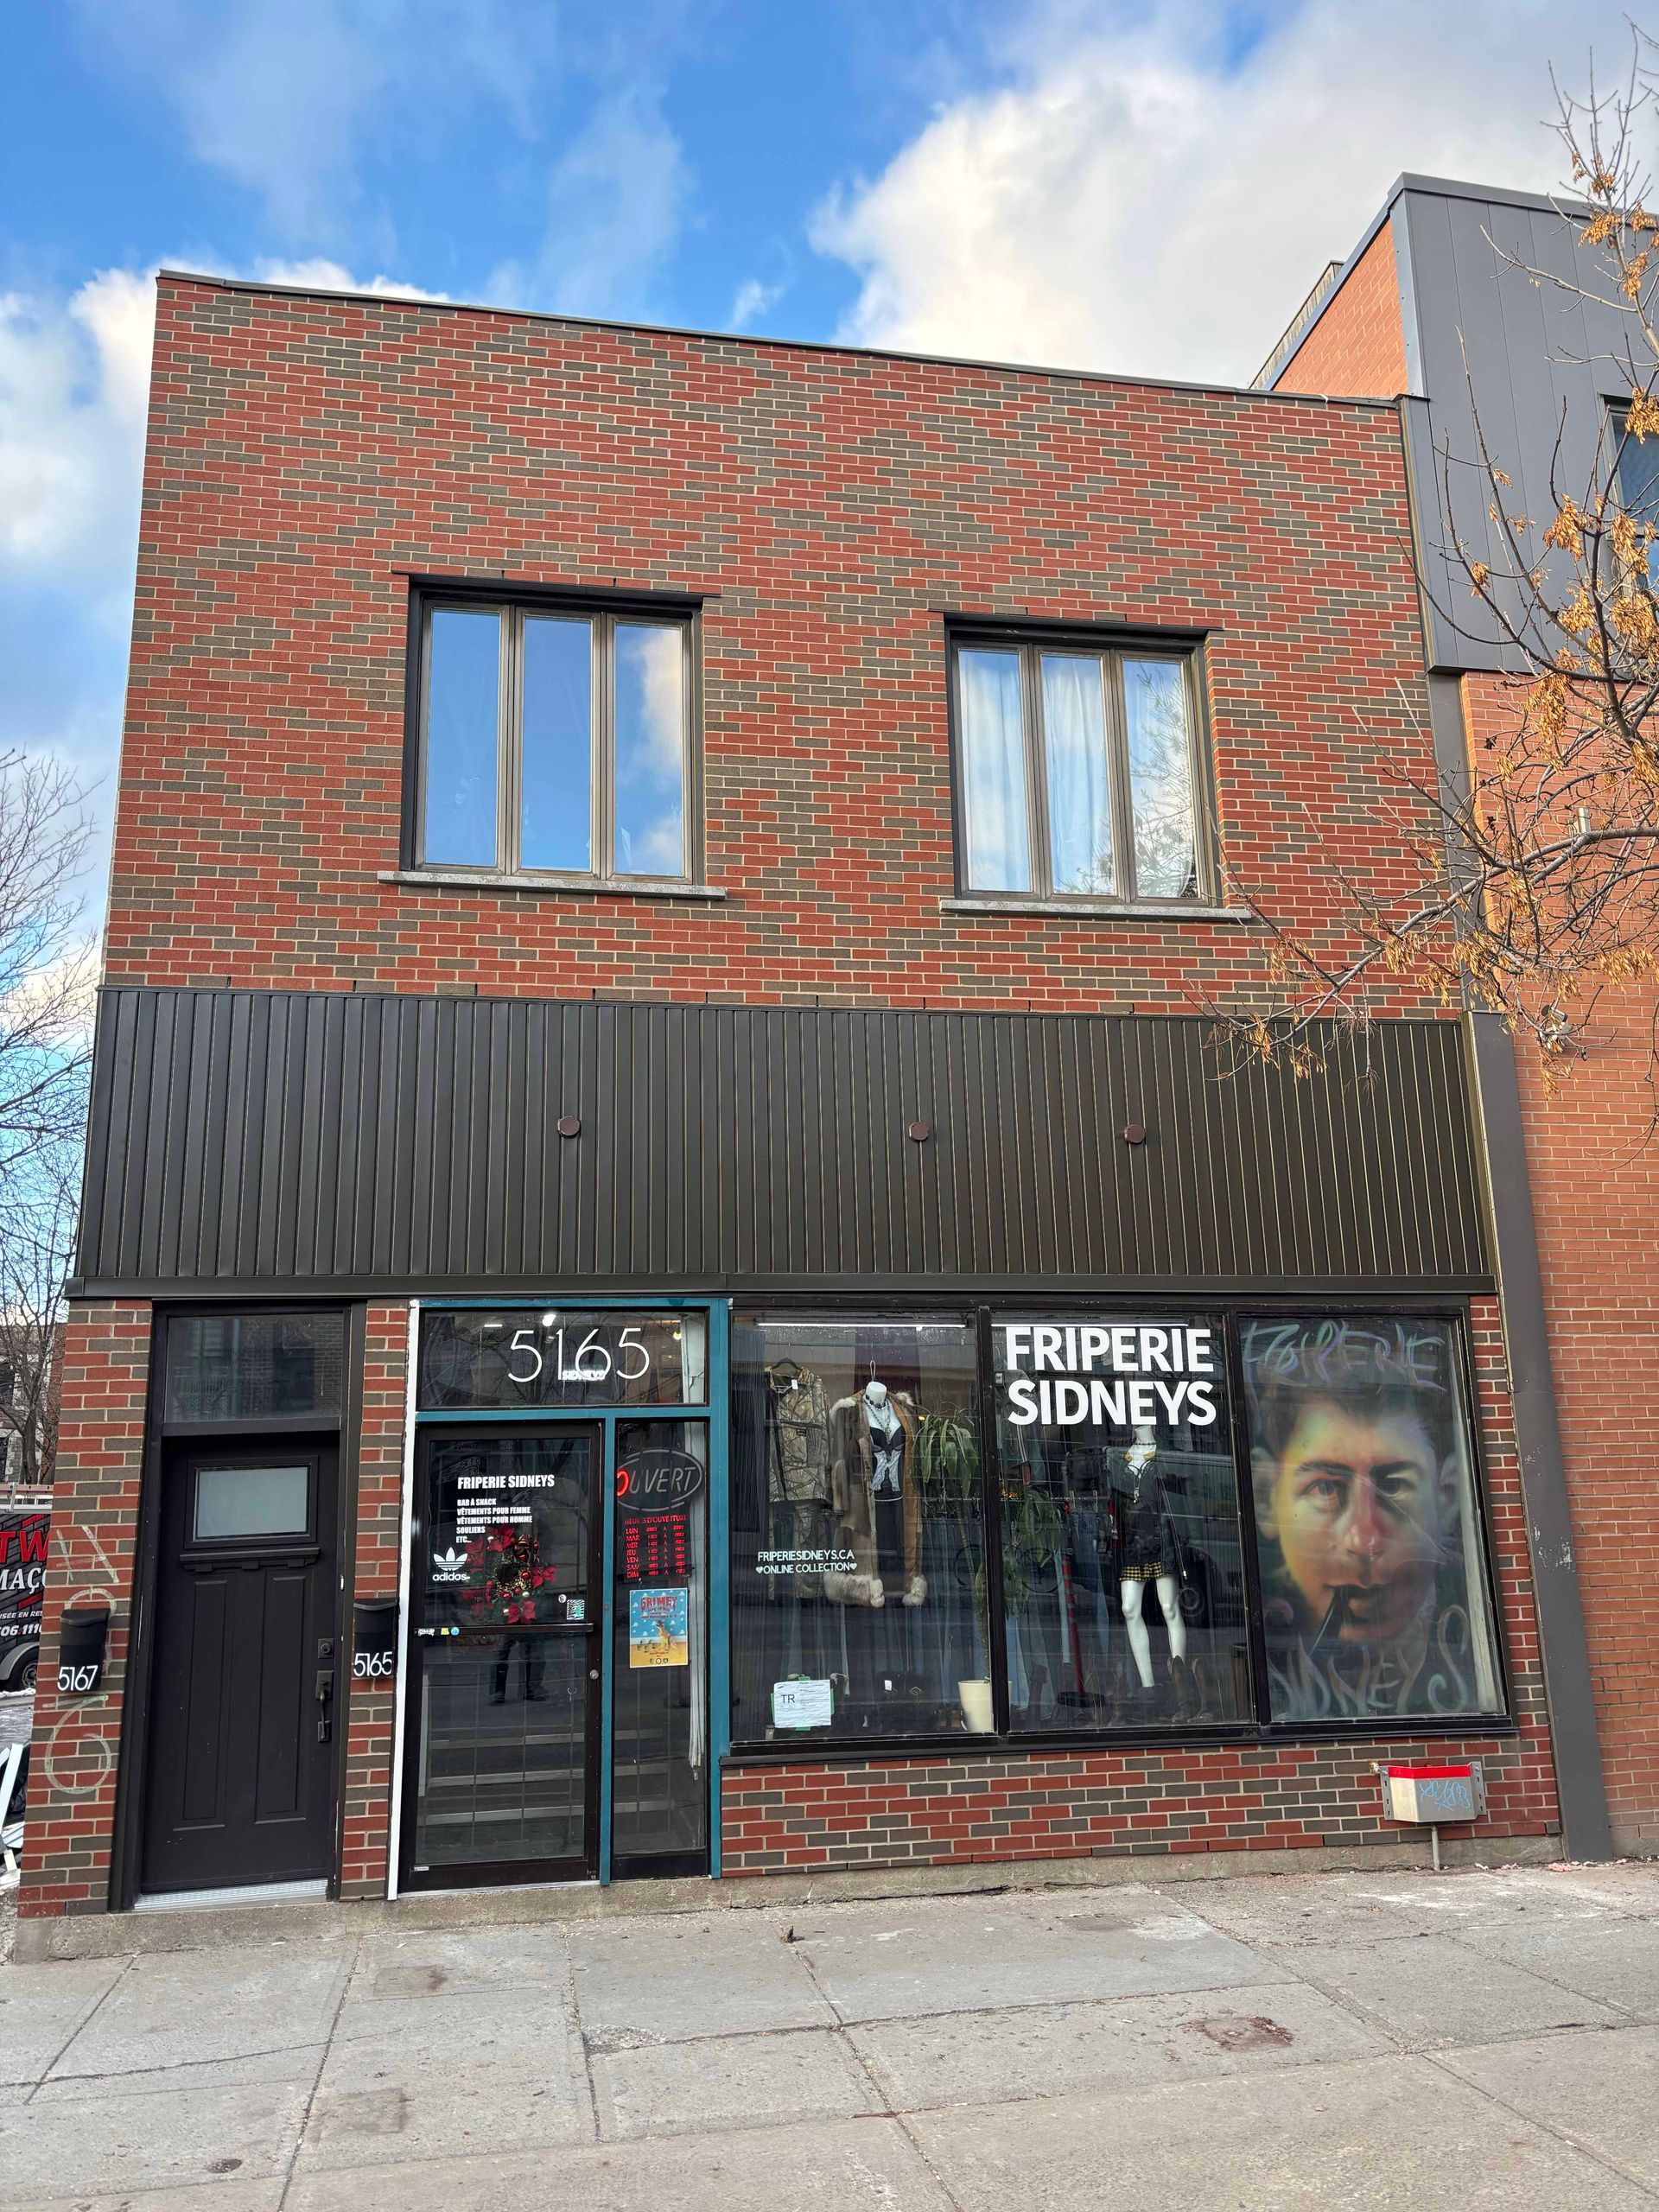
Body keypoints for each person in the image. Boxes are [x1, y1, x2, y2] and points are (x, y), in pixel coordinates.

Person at [1245, 1320, 1486, 1719]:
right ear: (1266, 1498)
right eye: (1325, 1489)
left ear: (1447, 1498)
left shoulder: (1471, 1653)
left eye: (1393, 1486)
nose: (1363, 1539)